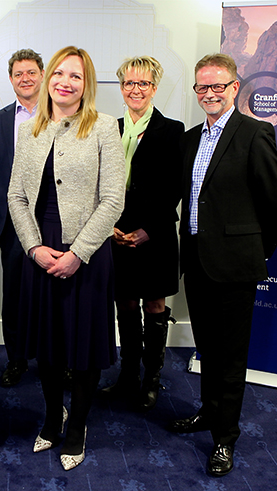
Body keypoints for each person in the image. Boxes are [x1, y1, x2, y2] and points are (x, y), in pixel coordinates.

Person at [168, 53, 277, 477]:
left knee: (232, 356)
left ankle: (224, 438)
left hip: (236, 265)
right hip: (197, 261)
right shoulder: (190, 138)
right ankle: (208, 411)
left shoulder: (255, 134)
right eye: (203, 87)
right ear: (197, 92)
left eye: (219, 86)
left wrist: (256, 250)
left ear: (235, 87)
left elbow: (274, 205)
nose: (211, 93)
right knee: (208, 348)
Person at [8, 46, 125, 471]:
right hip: (40, 248)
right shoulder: (30, 130)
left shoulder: (103, 128)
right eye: (59, 73)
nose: (65, 81)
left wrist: (78, 253)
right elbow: (15, 196)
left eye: (75, 76)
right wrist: (34, 248)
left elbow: (113, 200)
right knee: (49, 343)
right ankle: (52, 416)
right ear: (48, 78)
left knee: (85, 345)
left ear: (86, 84)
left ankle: (77, 426)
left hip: (87, 253)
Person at [101, 56, 184, 410]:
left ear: (154, 87)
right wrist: (111, 227)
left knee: (153, 303)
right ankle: (128, 375)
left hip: (155, 233)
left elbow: (175, 187)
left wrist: (147, 230)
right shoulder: (109, 127)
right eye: (129, 83)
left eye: (143, 83)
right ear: (121, 88)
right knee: (124, 303)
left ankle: (152, 378)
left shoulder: (173, 130)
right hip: (115, 231)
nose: (136, 90)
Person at [0, 49, 44, 388]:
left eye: (31, 72)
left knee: (54, 295)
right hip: (11, 224)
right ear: (11, 79)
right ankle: (16, 359)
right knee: (15, 296)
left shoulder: (62, 114)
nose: (25, 78)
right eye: (19, 73)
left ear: (42, 75)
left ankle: (57, 360)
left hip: (54, 221)